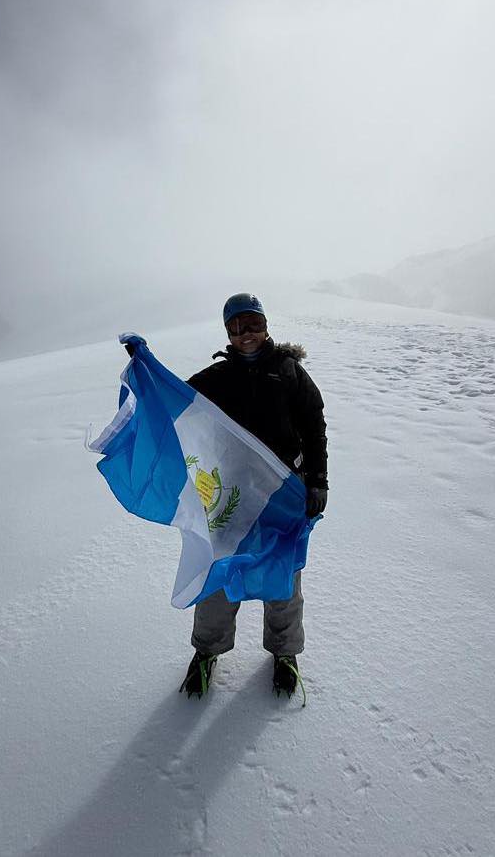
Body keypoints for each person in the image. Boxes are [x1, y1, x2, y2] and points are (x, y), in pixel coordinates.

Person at [179, 293, 328, 701]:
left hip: (283, 493)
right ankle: (207, 650)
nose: (246, 334)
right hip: (233, 495)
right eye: (236, 327)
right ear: (228, 332)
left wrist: (318, 482)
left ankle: (284, 652)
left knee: (282, 575)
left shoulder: (289, 371)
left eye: (253, 324)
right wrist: (144, 366)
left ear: (265, 325)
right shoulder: (218, 377)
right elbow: (175, 400)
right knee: (220, 572)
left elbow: (314, 428)